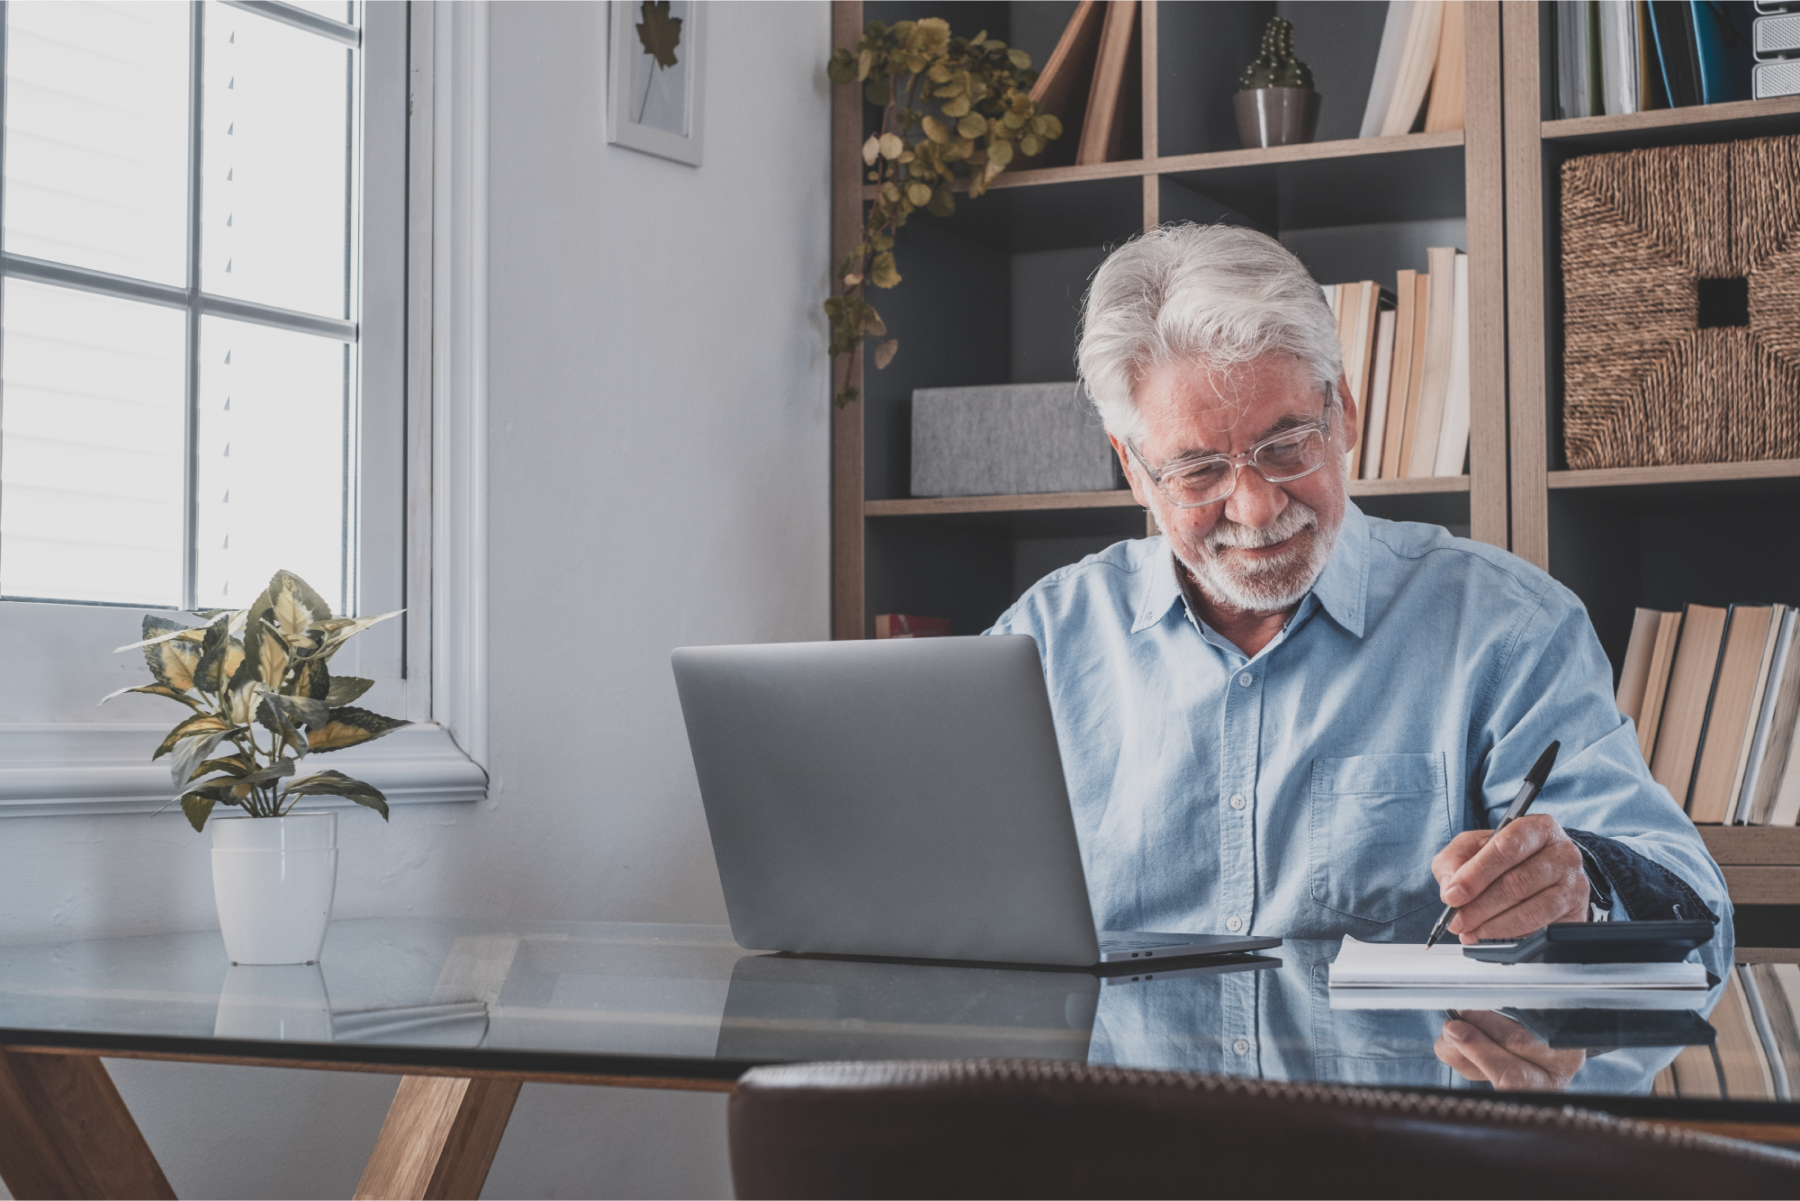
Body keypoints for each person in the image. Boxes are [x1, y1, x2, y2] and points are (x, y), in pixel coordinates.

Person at [986, 224, 1732, 993]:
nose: (1254, 505)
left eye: (1286, 446)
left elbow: (1702, 915)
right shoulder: (1040, 644)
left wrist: (1587, 887)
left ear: (1343, 409)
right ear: (1136, 472)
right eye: (1200, 470)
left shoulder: (1510, 629)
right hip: (1119, 1112)